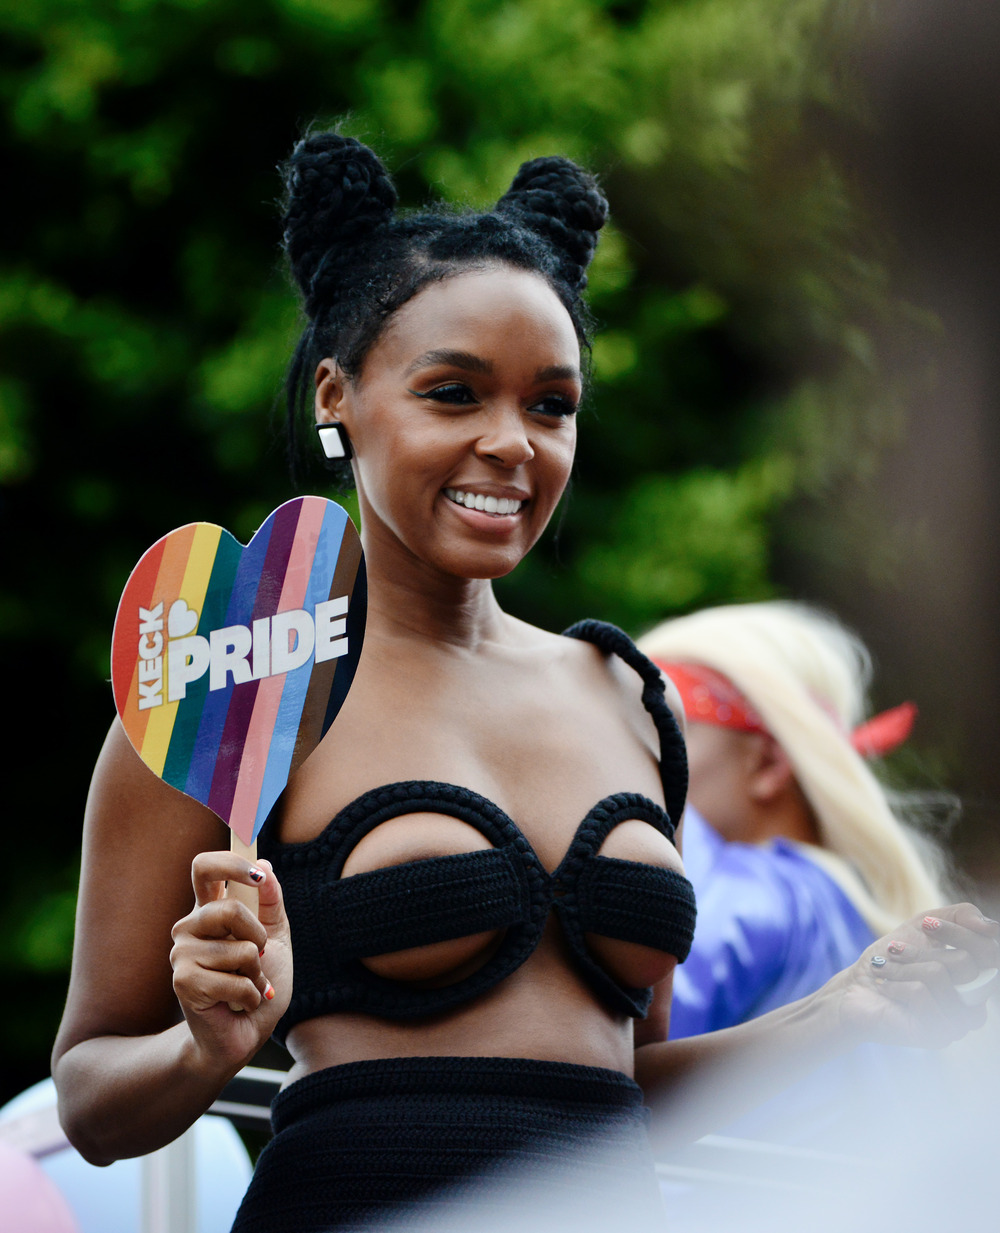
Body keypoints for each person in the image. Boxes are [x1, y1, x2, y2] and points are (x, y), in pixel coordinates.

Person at [50, 132, 998, 1232]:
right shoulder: (239, 689)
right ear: (336, 395)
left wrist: (843, 1013)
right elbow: (89, 1100)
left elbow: (620, 1085)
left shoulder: (628, 697)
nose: (513, 444)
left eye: (551, 405)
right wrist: (201, 1047)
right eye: (453, 394)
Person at [637, 600, 951, 1040]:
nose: (632, 753)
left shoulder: (754, 900)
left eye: (664, 730)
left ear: (767, 764)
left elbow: (624, 1052)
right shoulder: (845, 900)